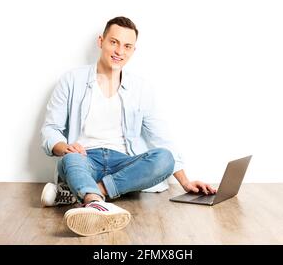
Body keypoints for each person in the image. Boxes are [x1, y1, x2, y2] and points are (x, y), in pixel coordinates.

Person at [40, 16, 216, 236]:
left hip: (123, 163)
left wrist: (186, 182)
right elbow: (50, 129)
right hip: (84, 158)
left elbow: (161, 138)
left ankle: (92, 197)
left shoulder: (141, 88)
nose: (119, 51)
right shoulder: (71, 80)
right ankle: (94, 198)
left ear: (133, 50)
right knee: (70, 159)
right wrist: (63, 147)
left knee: (165, 158)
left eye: (127, 46)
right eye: (113, 42)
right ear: (101, 41)